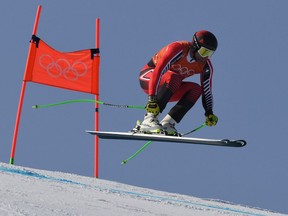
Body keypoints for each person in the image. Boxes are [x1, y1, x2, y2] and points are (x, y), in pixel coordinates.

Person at [136, 30, 219, 136]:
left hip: (170, 87)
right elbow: (159, 71)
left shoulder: (205, 66)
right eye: (204, 52)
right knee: (174, 76)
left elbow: (207, 91)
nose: (205, 57)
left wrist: (209, 112)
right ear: (195, 46)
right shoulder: (178, 49)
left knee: (196, 89)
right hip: (149, 79)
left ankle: (168, 123)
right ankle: (149, 119)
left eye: (209, 53)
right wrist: (152, 99)